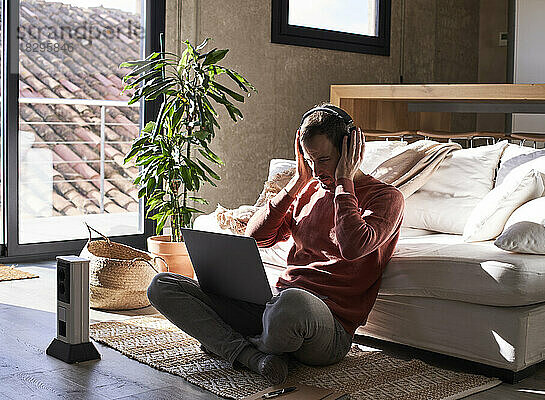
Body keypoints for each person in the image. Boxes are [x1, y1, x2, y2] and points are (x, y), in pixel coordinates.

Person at [147, 104, 404, 385]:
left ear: (349, 149)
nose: (317, 170)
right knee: (162, 285)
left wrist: (344, 181)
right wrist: (296, 183)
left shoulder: (386, 198)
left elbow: (352, 246)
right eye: (310, 160)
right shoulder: (309, 190)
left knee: (292, 303)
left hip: (327, 327)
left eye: (325, 159)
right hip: (275, 309)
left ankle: (228, 343)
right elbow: (258, 238)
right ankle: (254, 357)